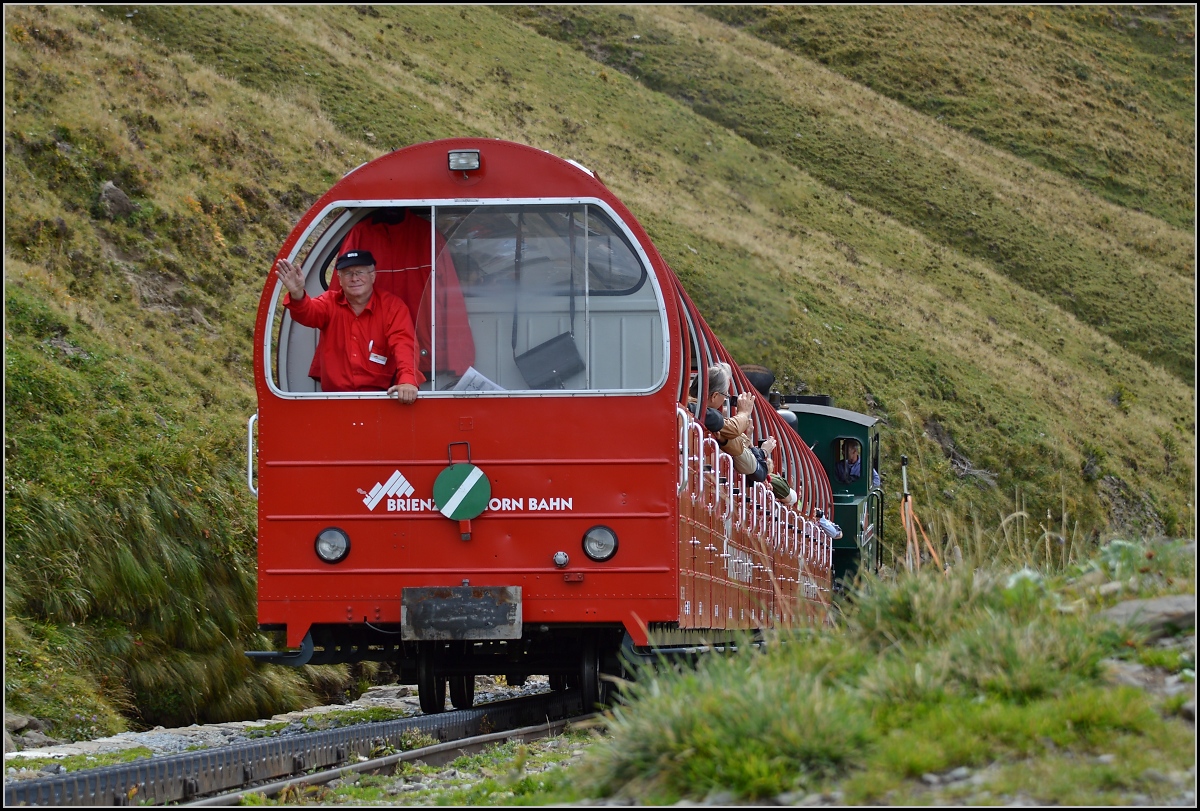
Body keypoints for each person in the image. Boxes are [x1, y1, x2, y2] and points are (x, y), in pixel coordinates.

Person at [310, 208, 475, 384]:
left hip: (421, 351)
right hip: (371, 358)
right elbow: (339, 297)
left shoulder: (428, 235)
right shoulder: (360, 233)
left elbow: (450, 295)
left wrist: (459, 359)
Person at [277, 251, 422, 402]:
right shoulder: (329, 302)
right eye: (347, 273)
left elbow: (404, 344)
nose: (354, 278)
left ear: (373, 276)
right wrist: (297, 294)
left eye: (360, 272)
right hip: (335, 400)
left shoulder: (393, 307)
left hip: (381, 399)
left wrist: (407, 379)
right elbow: (307, 313)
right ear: (339, 279)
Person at [687, 362, 758, 476]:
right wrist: (744, 413)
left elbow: (737, 446)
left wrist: (725, 440)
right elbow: (733, 429)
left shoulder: (691, 406)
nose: (725, 401)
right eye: (725, 396)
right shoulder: (708, 414)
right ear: (715, 396)